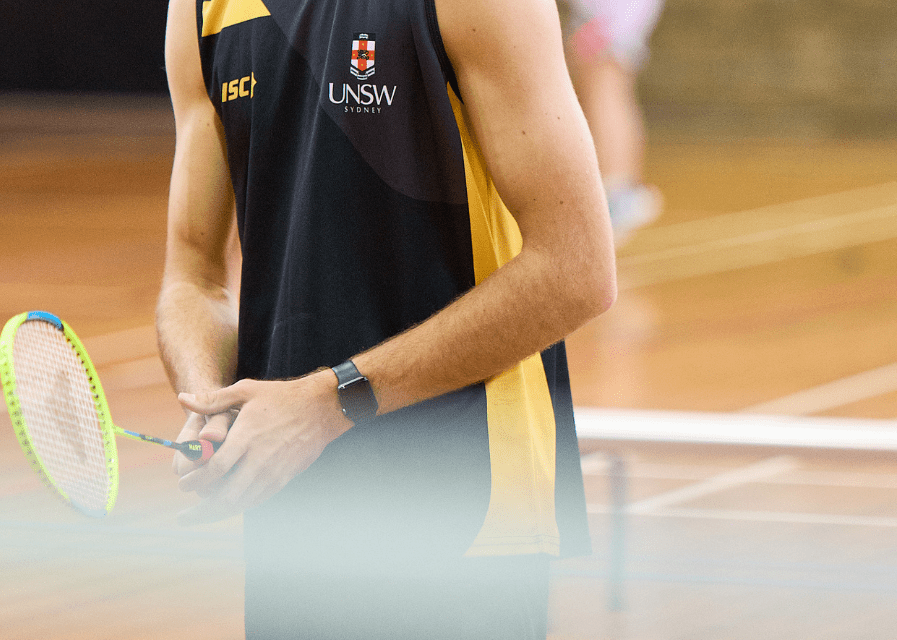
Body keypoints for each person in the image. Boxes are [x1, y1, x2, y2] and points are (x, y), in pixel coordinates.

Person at [156, 0, 616, 637]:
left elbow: (576, 268)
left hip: (462, 504)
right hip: (291, 501)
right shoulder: (204, 9)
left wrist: (330, 401)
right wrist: (211, 401)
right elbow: (192, 276)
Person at [557, 0, 666, 245]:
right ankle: (619, 191)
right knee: (607, 92)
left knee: (605, 91)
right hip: (608, 18)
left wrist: (609, 25)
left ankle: (617, 192)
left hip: (607, 18)